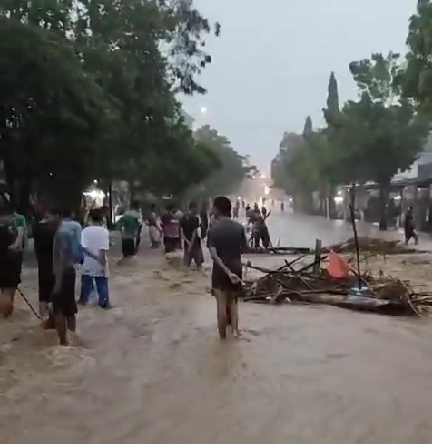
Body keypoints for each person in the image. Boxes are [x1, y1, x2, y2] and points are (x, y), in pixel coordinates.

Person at [207, 196, 247, 339]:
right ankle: (235, 333)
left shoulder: (214, 230)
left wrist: (225, 270)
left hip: (220, 271)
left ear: (217, 209)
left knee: (221, 306)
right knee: (234, 303)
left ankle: (223, 340)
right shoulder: (239, 228)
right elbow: (243, 249)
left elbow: (213, 255)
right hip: (236, 269)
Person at [50, 207, 78, 346]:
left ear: (57, 216)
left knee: (58, 309)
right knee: (70, 309)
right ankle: (73, 339)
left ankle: (63, 342)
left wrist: (58, 282)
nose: (48, 220)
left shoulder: (60, 234)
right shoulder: (67, 233)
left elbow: (60, 259)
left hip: (62, 274)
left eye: (49, 217)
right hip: (70, 271)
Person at [79, 208, 111, 309]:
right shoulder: (104, 232)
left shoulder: (85, 231)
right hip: (101, 260)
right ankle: (104, 303)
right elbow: (103, 249)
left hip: (88, 260)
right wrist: (100, 260)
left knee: (86, 282)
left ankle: (83, 300)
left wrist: (94, 257)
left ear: (90, 218)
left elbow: (83, 247)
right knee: (102, 283)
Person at [0, 194, 23, 317]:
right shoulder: (18, 219)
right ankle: (6, 315)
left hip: (6, 256)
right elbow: (19, 242)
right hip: (11, 258)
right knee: (8, 290)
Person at [33, 205, 56, 320]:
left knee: (43, 295)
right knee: (54, 295)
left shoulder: (36, 228)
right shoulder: (54, 229)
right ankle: (53, 320)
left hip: (42, 265)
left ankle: (42, 319)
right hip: (55, 265)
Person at [180, 202, 203, 269]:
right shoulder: (195, 219)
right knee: (198, 265)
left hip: (190, 244)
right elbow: (194, 233)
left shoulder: (184, 218)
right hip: (194, 244)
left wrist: (188, 242)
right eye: (196, 209)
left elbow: (181, 233)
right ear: (192, 208)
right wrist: (190, 243)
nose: (197, 210)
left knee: (186, 265)